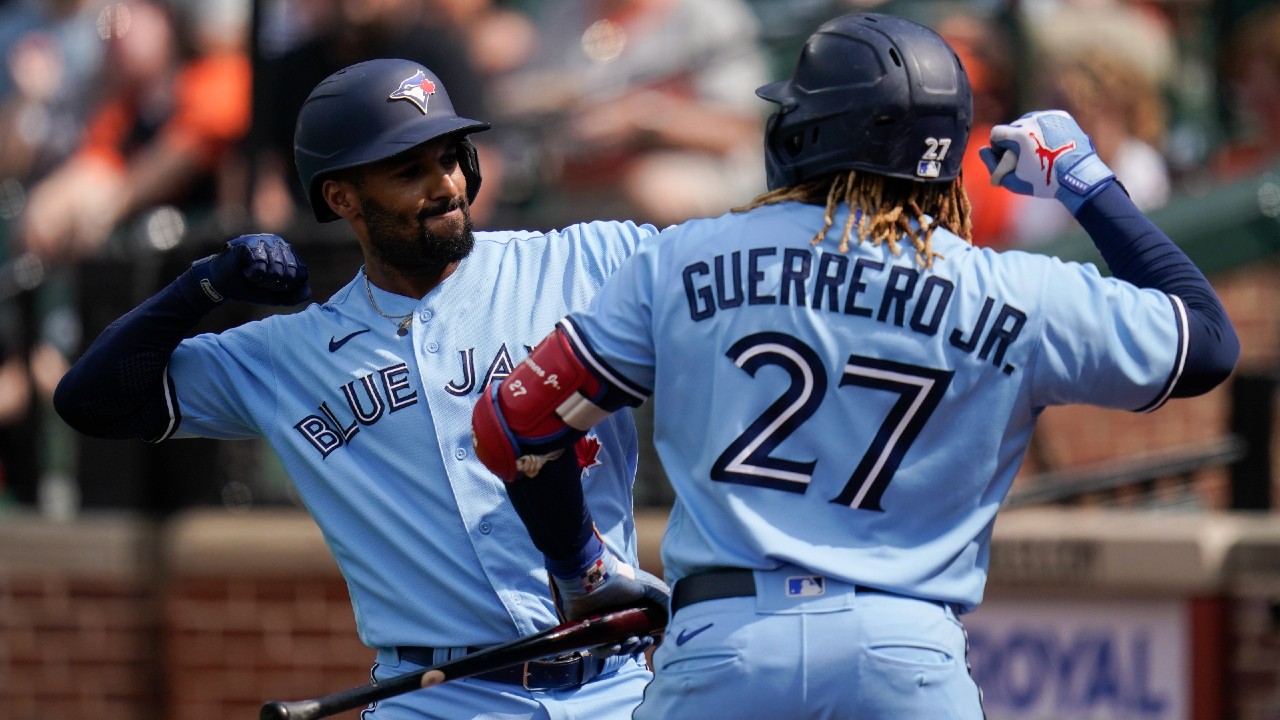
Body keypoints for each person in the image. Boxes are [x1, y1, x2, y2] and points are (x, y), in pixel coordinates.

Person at [471, 12, 1240, 719]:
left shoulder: (683, 256)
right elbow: (1207, 342)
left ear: (802, 133)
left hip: (728, 645)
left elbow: (516, 424)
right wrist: (1085, 180)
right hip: (906, 654)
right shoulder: (1013, 286)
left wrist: (582, 572)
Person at [52, 58, 667, 719]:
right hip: (439, 701)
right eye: (410, 170)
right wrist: (202, 284)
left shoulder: (584, 261)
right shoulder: (290, 353)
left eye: (451, 158)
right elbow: (92, 401)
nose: (446, 185)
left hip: (620, 690)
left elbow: (735, 295)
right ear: (342, 197)